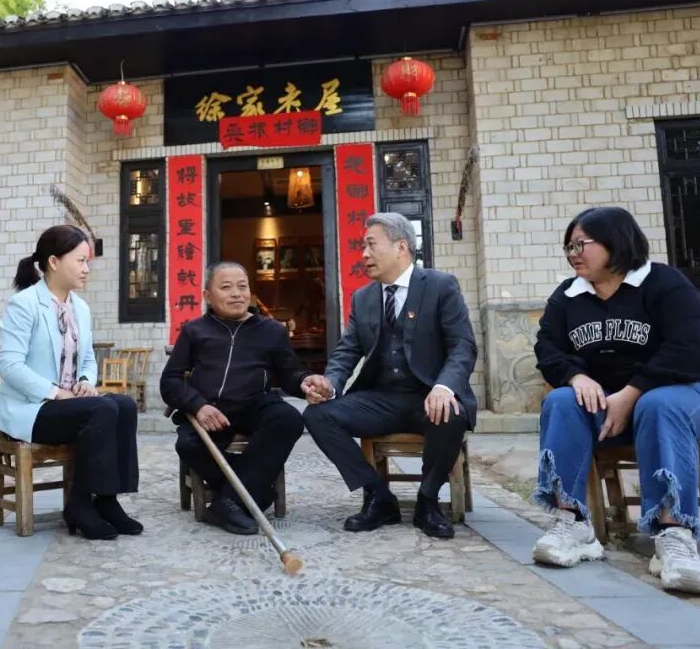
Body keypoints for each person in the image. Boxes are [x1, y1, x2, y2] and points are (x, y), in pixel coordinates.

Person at [531, 207, 700, 596]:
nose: (573, 254)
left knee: (658, 404)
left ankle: (675, 535)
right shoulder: (568, 296)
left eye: (581, 245)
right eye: (569, 247)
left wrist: (633, 392)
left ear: (615, 242)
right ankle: (573, 523)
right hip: (606, 406)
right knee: (563, 402)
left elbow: (690, 351)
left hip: (685, 395)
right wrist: (576, 376)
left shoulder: (665, 284)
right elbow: (548, 349)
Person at [301, 212, 477, 539]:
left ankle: (427, 501)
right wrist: (330, 384)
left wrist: (444, 386)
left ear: (401, 247)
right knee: (317, 415)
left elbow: (462, 346)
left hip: (428, 395)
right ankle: (378, 496)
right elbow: (348, 350)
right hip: (381, 399)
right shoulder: (363, 297)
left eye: (371, 244)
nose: (364, 254)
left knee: (450, 414)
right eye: (362, 246)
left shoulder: (440, 286)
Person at [0, 225, 140, 541]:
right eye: (81, 261)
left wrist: (85, 381)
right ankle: (80, 505)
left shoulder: (80, 308)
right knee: (102, 410)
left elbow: (87, 359)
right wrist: (56, 393)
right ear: (54, 262)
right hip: (31, 409)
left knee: (124, 405)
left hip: (70, 406)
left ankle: (107, 501)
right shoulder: (24, 304)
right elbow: (10, 366)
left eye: (88, 262)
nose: (87, 269)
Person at [161, 262, 307, 534]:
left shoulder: (272, 330)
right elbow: (170, 381)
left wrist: (306, 382)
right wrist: (198, 406)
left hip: (255, 404)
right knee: (188, 444)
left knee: (288, 418)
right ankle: (255, 493)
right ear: (208, 296)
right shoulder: (195, 331)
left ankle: (227, 503)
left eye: (242, 286)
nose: (237, 294)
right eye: (226, 287)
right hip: (211, 409)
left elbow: (290, 376)